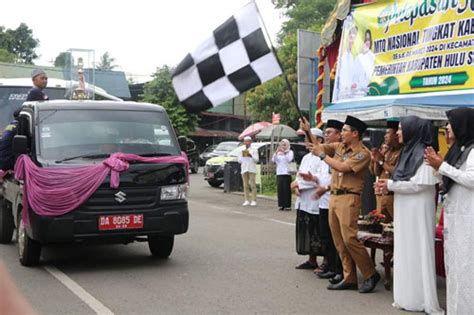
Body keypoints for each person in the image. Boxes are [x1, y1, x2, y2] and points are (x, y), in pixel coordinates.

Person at [376, 116, 443, 314]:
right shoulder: (408, 152)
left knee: (418, 249)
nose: (397, 133)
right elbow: (402, 179)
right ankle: (406, 297)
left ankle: (421, 299)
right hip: (405, 206)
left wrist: (389, 185)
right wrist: (386, 186)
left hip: (418, 209)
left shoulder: (425, 153)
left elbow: (420, 184)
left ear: (413, 130)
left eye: (400, 129)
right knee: (405, 250)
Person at [307, 115, 380, 293]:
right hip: (335, 196)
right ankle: (350, 277)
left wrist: (323, 155)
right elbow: (317, 147)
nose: (342, 133)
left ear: (355, 133)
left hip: (349, 198)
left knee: (350, 239)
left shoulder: (363, 152)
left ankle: (371, 274)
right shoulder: (339, 147)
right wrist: (308, 130)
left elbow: (343, 167)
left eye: (346, 130)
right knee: (339, 240)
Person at [425, 108, 474, 314]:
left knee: (465, 270)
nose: (446, 127)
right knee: (453, 269)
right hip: (455, 218)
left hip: (468, 218)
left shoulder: (472, 150)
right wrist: (437, 168)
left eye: (450, 123)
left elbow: (471, 180)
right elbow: (451, 180)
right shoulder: (458, 149)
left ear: (462, 124)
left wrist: (442, 166)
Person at [293, 128, 329, 270]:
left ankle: (326, 260)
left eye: (309, 138)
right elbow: (299, 175)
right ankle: (311, 259)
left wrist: (298, 184)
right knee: (307, 230)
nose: (305, 142)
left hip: (316, 199)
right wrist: (296, 185)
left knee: (319, 232)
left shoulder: (323, 157)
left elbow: (319, 178)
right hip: (304, 199)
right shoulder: (306, 157)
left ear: (319, 140)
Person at [313, 119, 344, 282]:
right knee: (326, 237)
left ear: (339, 134)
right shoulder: (327, 152)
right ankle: (331, 267)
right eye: (324, 133)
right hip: (324, 202)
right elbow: (315, 149)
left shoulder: (341, 152)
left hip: (339, 199)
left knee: (338, 238)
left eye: (329, 132)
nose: (326, 136)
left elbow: (341, 174)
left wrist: (325, 188)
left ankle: (341, 270)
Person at [369, 120, 402, 222]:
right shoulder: (388, 151)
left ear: (396, 135)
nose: (385, 136)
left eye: (388, 133)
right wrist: (376, 160)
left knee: (396, 226)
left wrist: (382, 162)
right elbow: (376, 173)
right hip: (383, 197)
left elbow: (397, 171)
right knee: (384, 229)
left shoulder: (403, 151)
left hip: (394, 197)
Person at [272, 139, 294, 210]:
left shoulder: (290, 152)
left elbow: (289, 159)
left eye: (285, 145)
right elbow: (273, 160)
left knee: (286, 189)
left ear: (287, 145)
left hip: (287, 173)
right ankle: (281, 204)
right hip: (279, 173)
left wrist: (284, 153)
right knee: (280, 189)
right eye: (282, 145)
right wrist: (276, 152)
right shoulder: (278, 153)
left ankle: (287, 205)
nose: (283, 146)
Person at [238, 136, 258, 207]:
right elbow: (239, 160)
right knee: (245, 185)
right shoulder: (241, 150)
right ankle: (246, 200)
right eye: (245, 141)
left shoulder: (254, 150)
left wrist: (250, 155)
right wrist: (243, 157)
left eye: (248, 141)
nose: (246, 142)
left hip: (251, 169)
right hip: (244, 169)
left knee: (253, 185)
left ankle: (254, 200)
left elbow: (256, 160)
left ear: (250, 142)